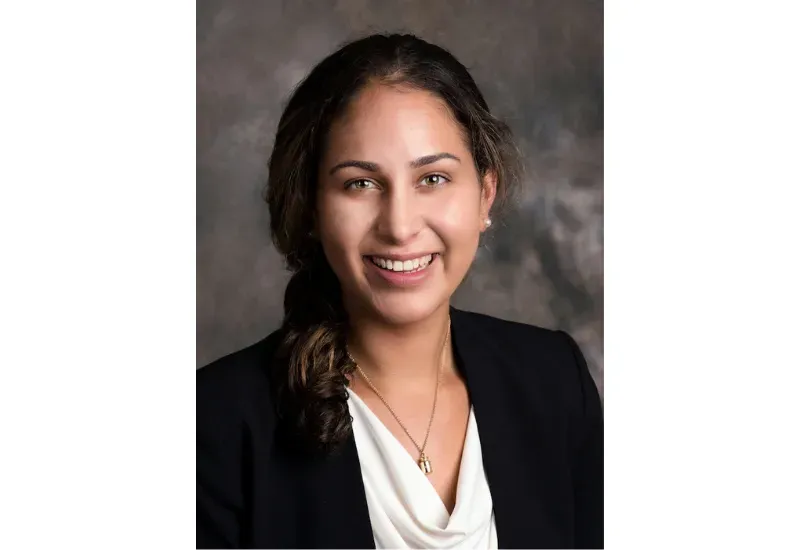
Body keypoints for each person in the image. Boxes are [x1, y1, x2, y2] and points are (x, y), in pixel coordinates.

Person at [197, 32, 603, 549]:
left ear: (485, 195)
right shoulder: (216, 421)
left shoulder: (554, 381)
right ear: (312, 209)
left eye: (433, 178)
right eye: (360, 183)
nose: (400, 225)